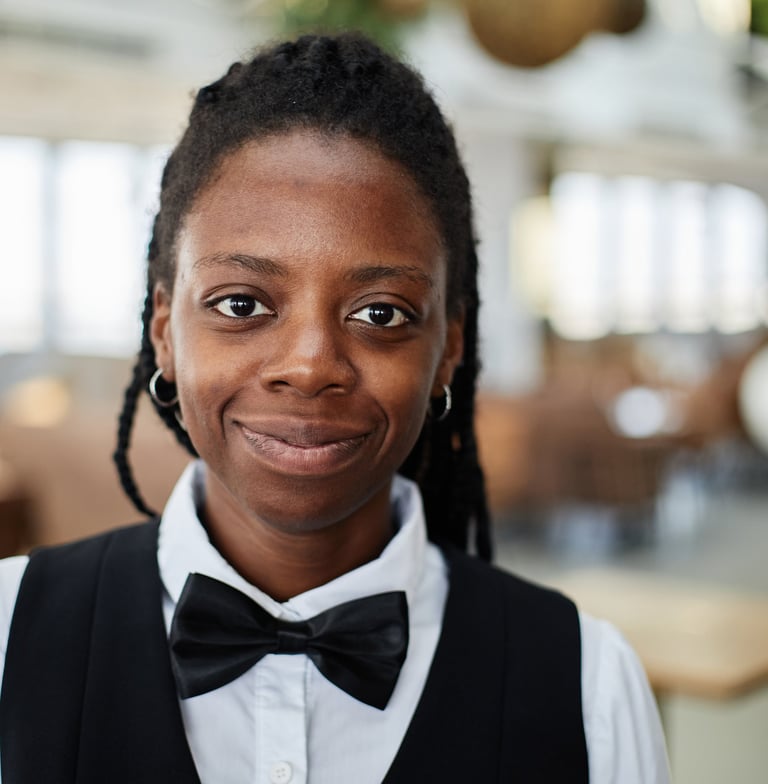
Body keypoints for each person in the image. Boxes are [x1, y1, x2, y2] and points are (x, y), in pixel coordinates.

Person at [0, 32, 669, 783]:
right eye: (242, 302)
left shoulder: (590, 686)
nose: (310, 366)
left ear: (447, 348)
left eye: (381, 314)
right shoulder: (6, 632)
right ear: (164, 333)